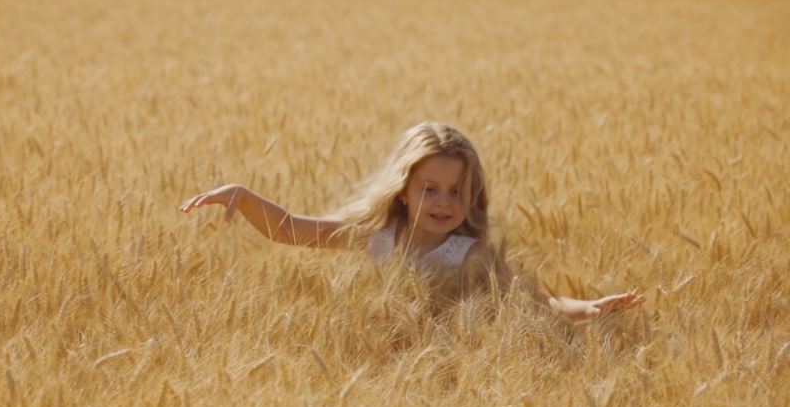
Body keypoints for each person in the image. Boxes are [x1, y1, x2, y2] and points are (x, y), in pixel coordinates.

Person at [180, 121, 645, 320]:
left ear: (472, 195)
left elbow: (532, 302)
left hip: (446, 371)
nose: (445, 202)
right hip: (382, 360)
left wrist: (588, 308)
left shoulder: (472, 254)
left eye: (457, 191)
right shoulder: (377, 236)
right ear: (402, 191)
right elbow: (292, 231)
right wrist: (242, 197)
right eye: (430, 189)